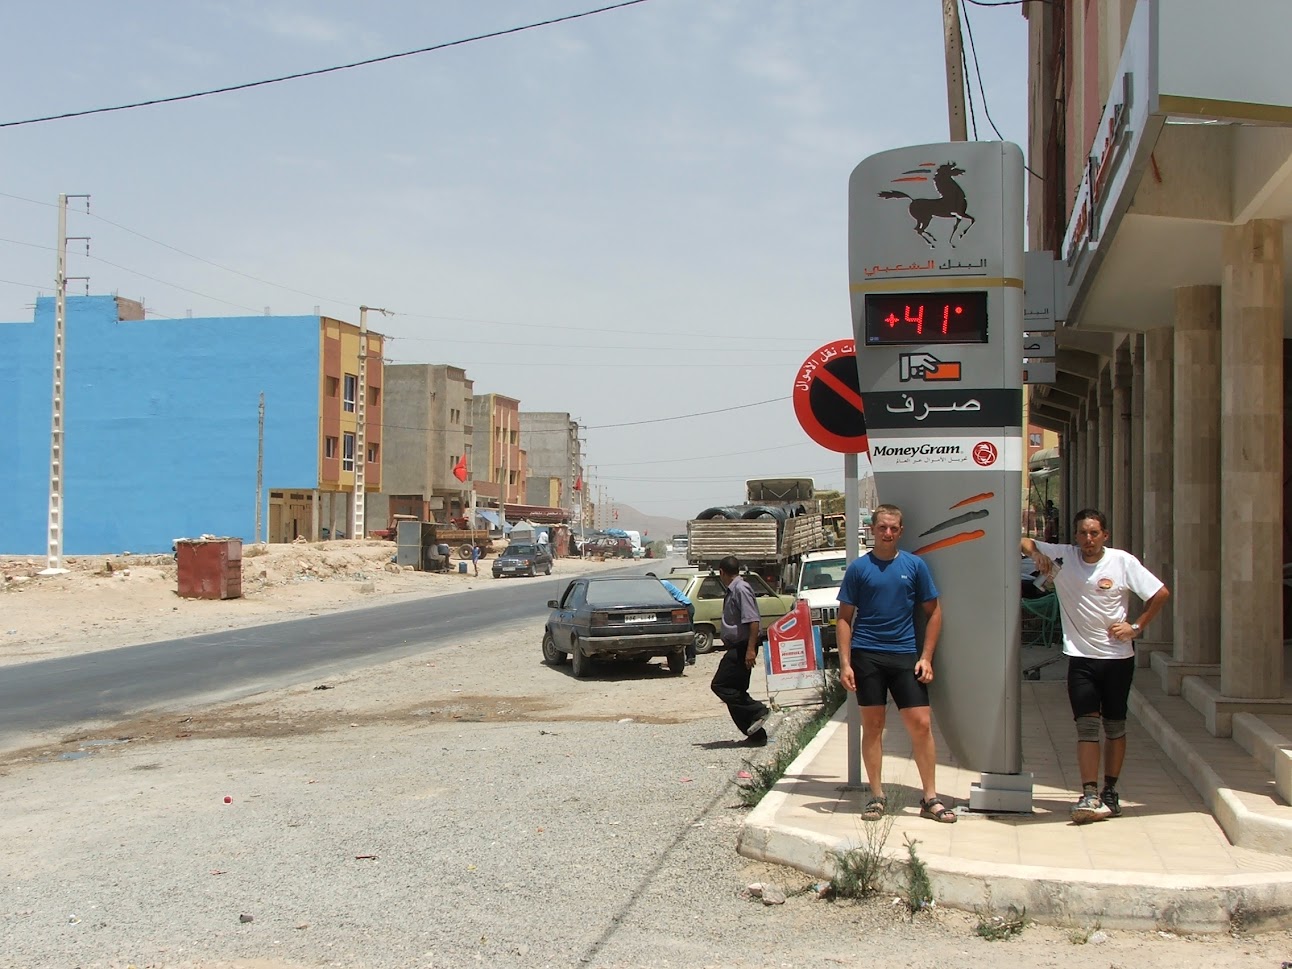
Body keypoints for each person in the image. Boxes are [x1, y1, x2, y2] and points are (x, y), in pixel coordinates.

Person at [1022, 508, 1170, 824]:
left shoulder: (1122, 562)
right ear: (1075, 536)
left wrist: (1136, 626)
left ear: (1105, 535)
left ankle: (1110, 791)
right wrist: (1037, 556)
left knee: (1115, 726)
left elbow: (1160, 593)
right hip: (1081, 659)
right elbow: (1022, 541)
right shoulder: (1064, 558)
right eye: (1083, 533)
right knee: (1086, 727)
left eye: (1094, 533)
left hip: (1117, 659)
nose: (1088, 539)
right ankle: (1088, 792)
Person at [837, 503, 955, 824]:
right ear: (872, 530)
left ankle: (930, 797)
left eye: (893, 528)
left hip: (905, 655)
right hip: (867, 656)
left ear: (901, 531)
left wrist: (927, 657)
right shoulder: (859, 569)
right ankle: (877, 795)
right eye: (882, 527)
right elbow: (845, 619)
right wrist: (845, 663)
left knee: (921, 725)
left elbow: (934, 612)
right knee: (873, 727)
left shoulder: (915, 566)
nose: (887, 533)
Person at [710, 556, 770, 746]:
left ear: (721, 572)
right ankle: (756, 734)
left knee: (720, 685)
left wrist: (750, 650)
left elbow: (753, 621)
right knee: (736, 691)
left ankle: (757, 710)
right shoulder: (733, 589)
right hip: (739, 646)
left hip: (743, 647)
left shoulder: (740, 589)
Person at [647, 571, 696, 665]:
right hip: (681, 607)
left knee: (688, 631)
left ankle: (691, 658)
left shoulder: (663, 584)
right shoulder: (659, 586)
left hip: (685, 606)